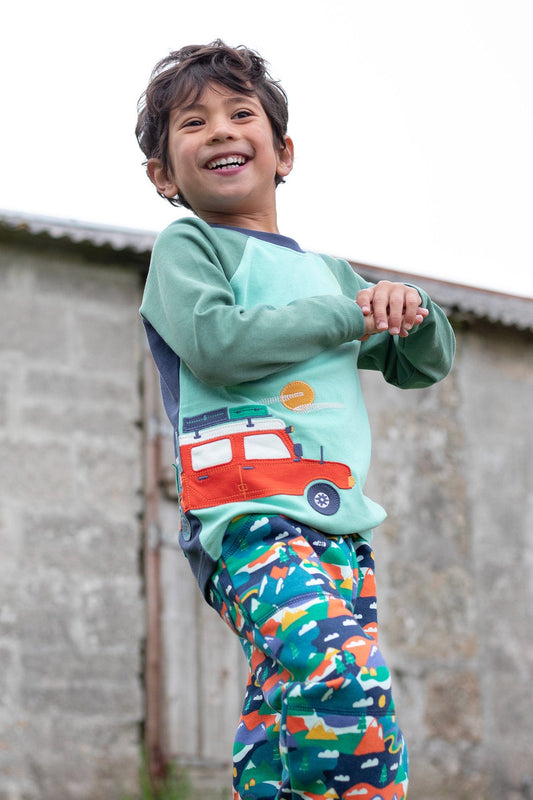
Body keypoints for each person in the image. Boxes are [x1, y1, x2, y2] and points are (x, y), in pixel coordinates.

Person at [136, 40, 455, 800]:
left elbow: (422, 362)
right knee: (342, 679)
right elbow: (216, 345)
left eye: (240, 114)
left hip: (339, 528)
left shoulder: (328, 275)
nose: (219, 131)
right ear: (162, 175)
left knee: (289, 708)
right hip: (248, 517)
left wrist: (413, 307)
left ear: (282, 152)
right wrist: (346, 313)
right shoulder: (191, 246)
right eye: (193, 123)